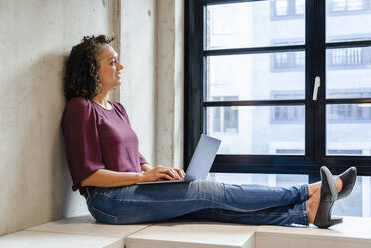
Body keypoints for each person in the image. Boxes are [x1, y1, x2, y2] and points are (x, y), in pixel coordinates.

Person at [61, 35, 357, 228]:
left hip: (136, 191)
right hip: (109, 202)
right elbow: (88, 176)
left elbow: (136, 159)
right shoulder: (80, 109)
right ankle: (308, 190)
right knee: (210, 191)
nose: (120, 65)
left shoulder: (118, 109)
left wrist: (158, 173)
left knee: (209, 207)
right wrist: (144, 177)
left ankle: (306, 213)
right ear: (92, 69)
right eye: (112, 61)